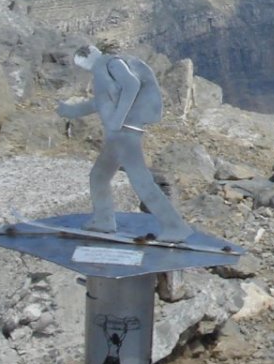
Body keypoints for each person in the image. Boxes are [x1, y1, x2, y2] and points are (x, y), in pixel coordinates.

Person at [57, 43, 193, 242]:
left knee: (141, 181)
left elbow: (132, 84)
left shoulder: (112, 64)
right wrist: (70, 111)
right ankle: (104, 221)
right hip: (119, 134)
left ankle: (175, 226)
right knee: (99, 176)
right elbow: (100, 103)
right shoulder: (104, 72)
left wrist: (118, 119)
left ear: (89, 57)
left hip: (125, 133)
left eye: (83, 63)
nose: (86, 68)